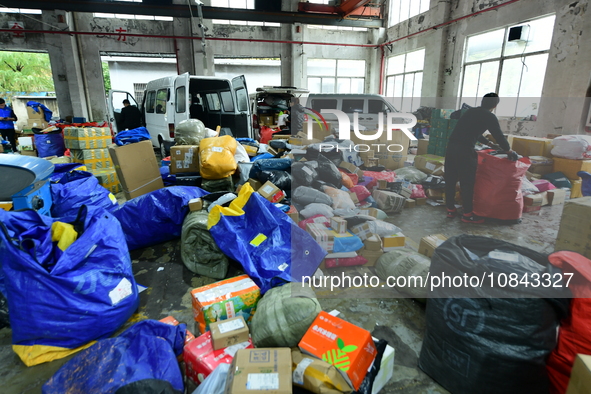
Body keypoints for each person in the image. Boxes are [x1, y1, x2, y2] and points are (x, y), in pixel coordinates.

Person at [444, 93, 517, 223]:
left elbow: (473, 132)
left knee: (450, 180)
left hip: (451, 148)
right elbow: (498, 135)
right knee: (467, 182)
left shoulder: (470, 112)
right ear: (494, 106)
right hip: (465, 151)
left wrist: (488, 144)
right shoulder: (489, 116)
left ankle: (450, 209)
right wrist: (508, 151)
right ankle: (468, 215)